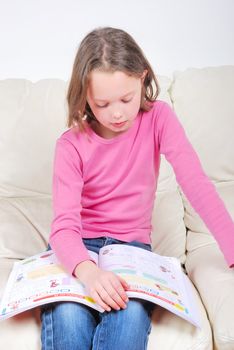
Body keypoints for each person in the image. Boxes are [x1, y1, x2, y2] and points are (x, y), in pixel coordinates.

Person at [40, 27, 234, 349]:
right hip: (77, 249)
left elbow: (196, 184)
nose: (116, 113)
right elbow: (63, 227)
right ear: (84, 95)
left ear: (143, 78)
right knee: (69, 321)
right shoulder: (70, 145)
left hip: (132, 251)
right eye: (102, 104)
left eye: (126, 99)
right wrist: (88, 272)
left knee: (127, 322)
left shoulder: (159, 118)